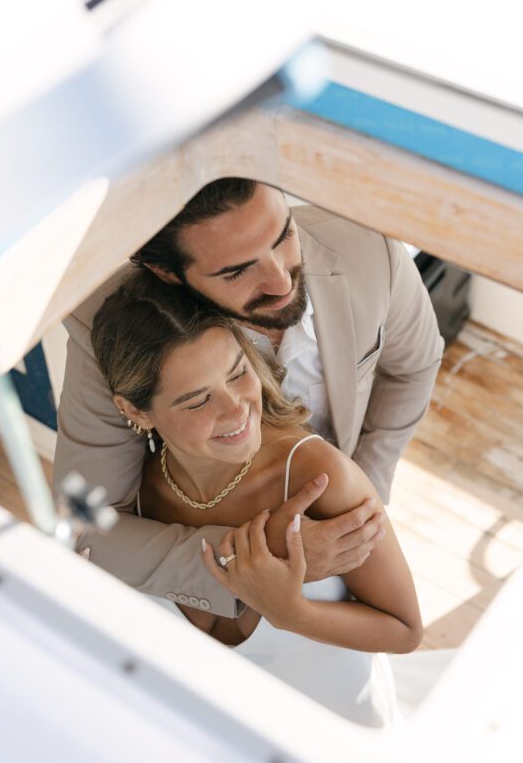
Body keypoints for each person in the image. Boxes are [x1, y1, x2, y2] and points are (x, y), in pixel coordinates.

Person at [54, 179, 443, 618]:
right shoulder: (107, 322)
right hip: (197, 556)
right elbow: (85, 521)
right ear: (166, 274)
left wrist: (361, 504)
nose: (281, 282)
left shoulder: (370, 248)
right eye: (236, 271)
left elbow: (413, 367)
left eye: (284, 237)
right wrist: (262, 555)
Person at [91, 270, 423, 723]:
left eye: (237, 373)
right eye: (196, 401)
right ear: (135, 411)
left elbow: (405, 631)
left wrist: (293, 614)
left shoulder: (317, 477)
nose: (235, 409)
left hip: (336, 717)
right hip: (219, 725)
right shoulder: (135, 494)